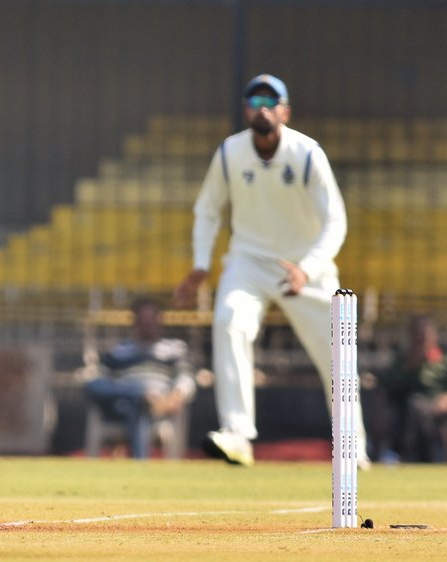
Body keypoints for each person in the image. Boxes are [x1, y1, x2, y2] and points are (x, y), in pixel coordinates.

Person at [173, 73, 368, 467]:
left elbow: (336, 222)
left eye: (271, 100)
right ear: (245, 109)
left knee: (336, 354)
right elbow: (208, 209)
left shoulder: (308, 153)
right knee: (229, 321)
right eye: (254, 99)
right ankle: (238, 435)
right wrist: (199, 263)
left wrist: (308, 269)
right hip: (249, 260)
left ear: (285, 111)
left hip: (304, 263)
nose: (262, 106)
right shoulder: (230, 153)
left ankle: (353, 450)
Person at [83, 299, 196, 459]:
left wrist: (176, 395)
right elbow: (101, 377)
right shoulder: (120, 349)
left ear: (159, 321)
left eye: (151, 319)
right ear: (135, 322)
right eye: (143, 320)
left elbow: (186, 376)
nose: (147, 324)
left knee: (138, 406)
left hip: (156, 407)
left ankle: (140, 461)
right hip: (118, 403)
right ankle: (140, 394)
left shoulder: (174, 348)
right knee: (93, 385)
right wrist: (137, 393)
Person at [374, 315, 447, 462]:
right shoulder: (402, 361)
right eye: (418, 335)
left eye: (425, 335)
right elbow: (384, 386)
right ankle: (404, 456)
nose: (421, 340)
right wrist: (410, 366)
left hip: (436, 410)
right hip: (405, 410)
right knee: (414, 407)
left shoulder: (442, 362)